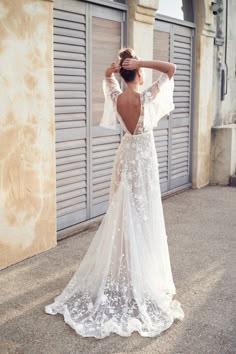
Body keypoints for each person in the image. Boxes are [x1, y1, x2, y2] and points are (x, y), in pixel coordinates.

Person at [45, 48, 185, 339]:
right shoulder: (146, 97)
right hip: (144, 159)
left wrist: (117, 67)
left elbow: (107, 76)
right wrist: (139, 62)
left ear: (123, 74)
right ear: (139, 73)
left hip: (125, 156)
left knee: (123, 213)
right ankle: (138, 276)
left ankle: (127, 272)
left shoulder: (116, 97)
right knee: (142, 215)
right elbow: (171, 69)